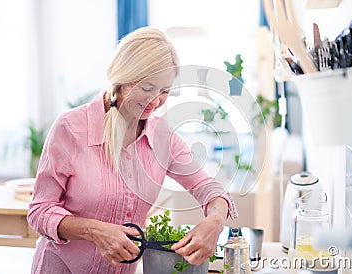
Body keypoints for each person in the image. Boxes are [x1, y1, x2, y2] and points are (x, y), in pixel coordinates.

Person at [27, 27, 237, 274]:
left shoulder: (163, 137)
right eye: (148, 88)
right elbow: (39, 211)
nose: (156, 101)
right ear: (123, 78)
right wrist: (95, 231)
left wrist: (214, 222)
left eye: (165, 91)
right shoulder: (71, 128)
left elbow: (210, 189)